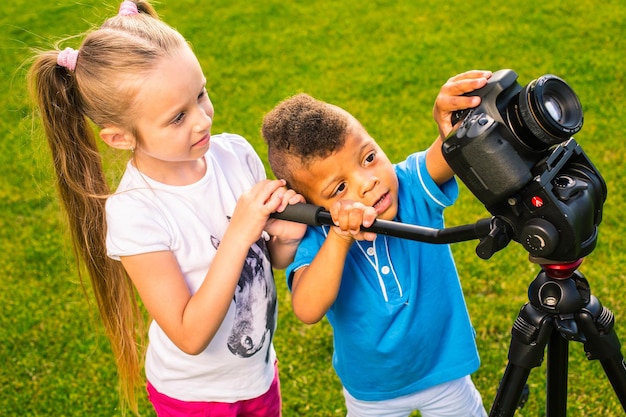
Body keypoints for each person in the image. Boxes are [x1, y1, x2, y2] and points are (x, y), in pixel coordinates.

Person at [28, 1, 306, 415]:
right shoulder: (135, 212)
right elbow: (189, 335)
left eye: (201, 94)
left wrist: (284, 238)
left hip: (259, 376)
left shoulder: (236, 155)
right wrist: (241, 230)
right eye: (177, 117)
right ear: (120, 138)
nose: (202, 120)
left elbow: (265, 264)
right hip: (193, 398)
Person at [261, 70, 493, 417]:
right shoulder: (319, 239)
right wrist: (340, 237)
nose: (368, 184)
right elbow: (307, 309)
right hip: (372, 394)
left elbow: (452, 146)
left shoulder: (410, 185)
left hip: (445, 373)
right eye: (339, 189)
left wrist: (446, 119)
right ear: (309, 205)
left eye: (369, 158)